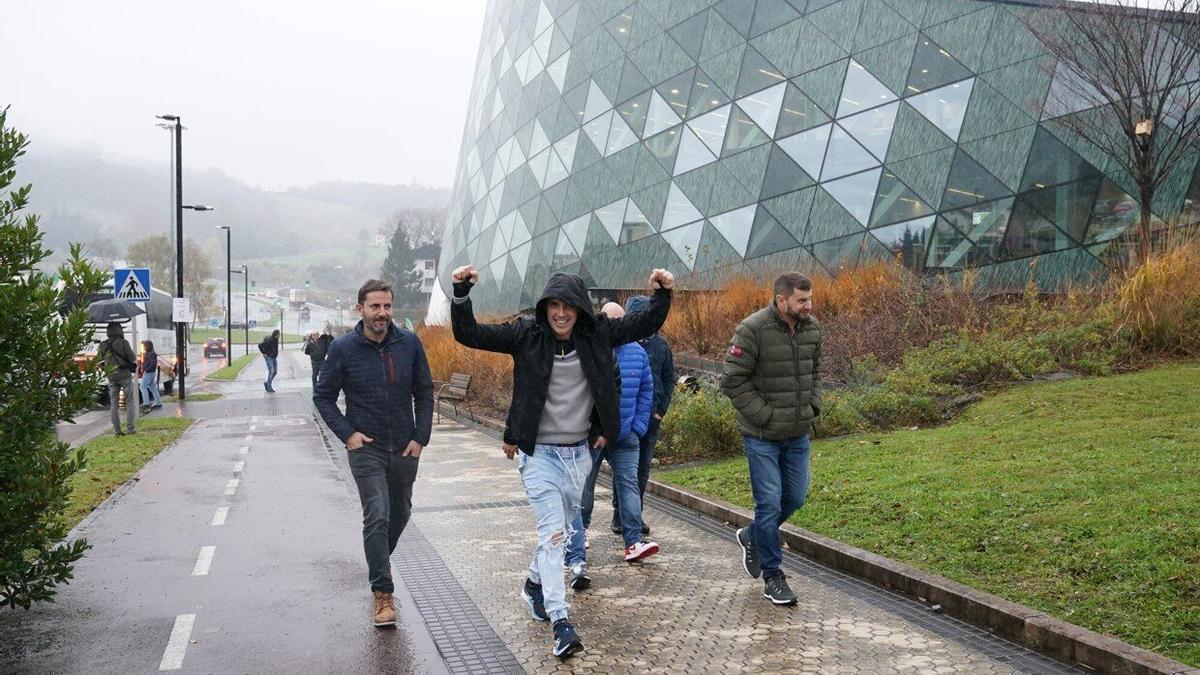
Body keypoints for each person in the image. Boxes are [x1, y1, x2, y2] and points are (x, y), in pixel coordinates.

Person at [450, 264, 673, 660]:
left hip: (580, 455)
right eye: (553, 305)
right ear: (544, 308)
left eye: (568, 306)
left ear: (580, 310)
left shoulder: (597, 333)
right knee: (555, 535)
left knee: (563, 531)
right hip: (539, 457)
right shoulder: (526, 334)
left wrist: (661, 294)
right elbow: (470, 334)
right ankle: (561, 622)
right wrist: (462, 294)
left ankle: (534, 584)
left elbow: (642, 324)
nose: (561, 313)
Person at [313, 279, 433, 628]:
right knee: (377, 514)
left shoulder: (409, 343)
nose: (382, 313)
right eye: (375, 307)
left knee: (401, 513)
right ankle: (383, 593)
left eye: (387, 307)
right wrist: (348, 434)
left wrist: (420, 437)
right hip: (366, 447)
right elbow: (323, 396)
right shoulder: (343, 349)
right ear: (360, 309)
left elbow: (424, 392)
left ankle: (378, 559)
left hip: (405, 447)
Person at [720, 272, 821, 606]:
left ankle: (753, 536)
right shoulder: (752, 329)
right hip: (761, 435)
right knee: (770, 503)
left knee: (794, 499)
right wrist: (764, 415)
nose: (809, 305)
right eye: (801, 300)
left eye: (809, 299)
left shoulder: (812, 328)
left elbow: (815, 371)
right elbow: (732, 379)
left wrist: (812, 405)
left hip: (797, 434)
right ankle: (773, 577)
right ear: (781, 300)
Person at [569, 301, 658, 578]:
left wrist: (638, 427)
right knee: (585, 485)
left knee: (626, 485)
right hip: (595, 435)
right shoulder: (593, 350)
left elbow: (647, 390)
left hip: (624, 434)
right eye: (612, 322)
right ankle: (584, 534)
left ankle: (632, 541)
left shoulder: (635, 353)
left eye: (620, 321)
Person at [610, 294, 675, 536]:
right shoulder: (619, 342)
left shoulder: (661, 346)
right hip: (624, 421)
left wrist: (660, 411)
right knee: (624, 471)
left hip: (649, 421)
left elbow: (669, 378)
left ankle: (635, 516)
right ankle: (620, 516)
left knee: (641, 471)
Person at [98, 322, 137, 436]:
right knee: (129, 401)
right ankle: (130, 428)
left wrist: (107, 368)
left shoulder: (103, 345)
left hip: (111, 376)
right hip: (124, 375)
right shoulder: (124, 343)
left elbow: (99, 361)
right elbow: (132, 357)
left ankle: (117, 430)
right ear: (120, 330)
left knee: (114, 404)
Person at [138, 339, 163, 412]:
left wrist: (146, 369)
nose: (143, 347)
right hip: (150, 372)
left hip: (149, 372)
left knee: (142, 386)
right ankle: (158, 402)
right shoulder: (149, 353)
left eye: (144, 345)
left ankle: (146, 403)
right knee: (153, 387)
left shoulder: (151, 353)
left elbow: (152, 364)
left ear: (148, 346)